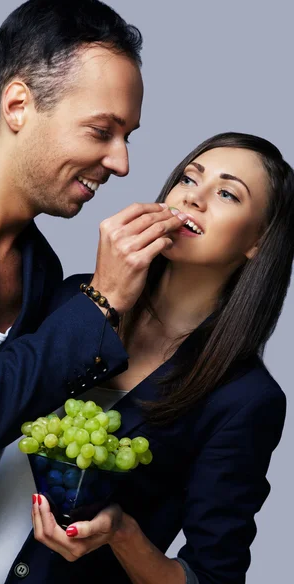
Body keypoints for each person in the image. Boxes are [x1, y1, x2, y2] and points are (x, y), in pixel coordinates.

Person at [0, 0, 190, 584]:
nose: (123, 162)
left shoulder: (41, 269)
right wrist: (102, 300)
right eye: (102, 131)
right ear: (19, 104)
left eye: (128, 135)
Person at [27, 132, 294, 584]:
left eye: (227, 193)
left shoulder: (245, 398)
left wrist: (122, 533)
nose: (194, 197)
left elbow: (213, 576)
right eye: (189, 178)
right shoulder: (76, 297)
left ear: (258, 242)